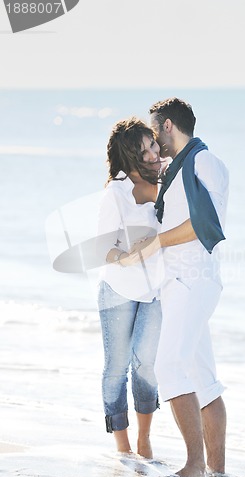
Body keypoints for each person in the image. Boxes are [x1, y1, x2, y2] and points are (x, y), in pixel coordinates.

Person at [130, 98, 229, 477]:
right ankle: (217, 473)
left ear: (168, 125)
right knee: (202, 377)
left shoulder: (204, 162)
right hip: (179, 283)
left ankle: (194, 468)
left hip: (193, 279)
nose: (154, 143)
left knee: (168, 367)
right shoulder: (177, 166)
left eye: (155, 132)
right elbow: (156, 199)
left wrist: (155, 244)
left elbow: (207, 225)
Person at [96, 117, 165, 459]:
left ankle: (145, 439)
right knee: (116, 366)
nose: (154, 152)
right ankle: (123, 448)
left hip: (156, 292)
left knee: (145, 364)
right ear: (128, 157)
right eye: (145, 150)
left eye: (154, 144)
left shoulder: (166, 182)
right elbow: (104, 249)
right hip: (119, 290)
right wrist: (128, 256)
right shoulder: (116, 193)